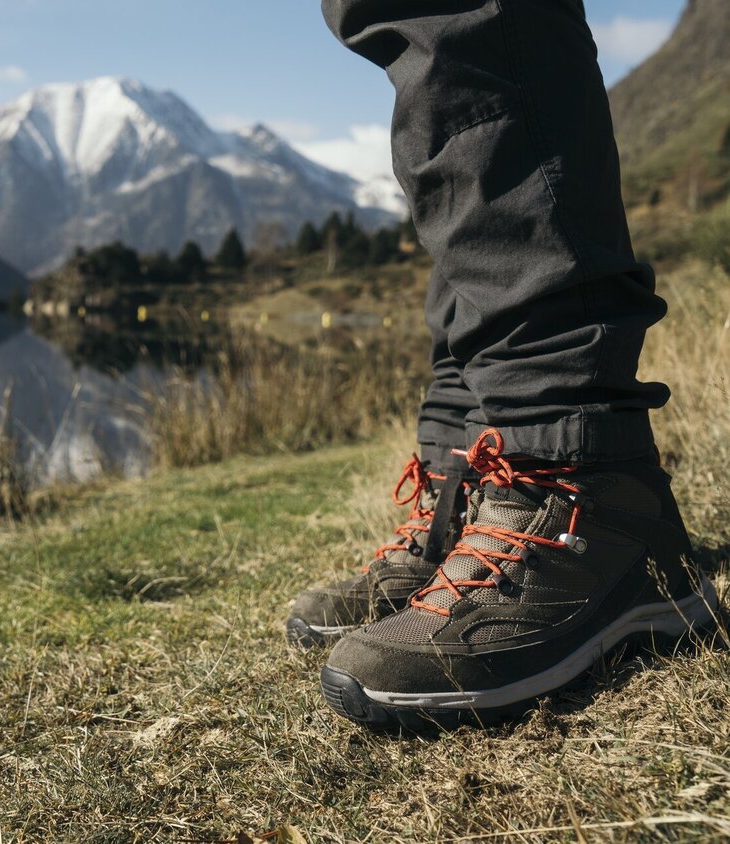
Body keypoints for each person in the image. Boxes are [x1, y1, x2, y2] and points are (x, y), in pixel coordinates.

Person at [286, 0, 719, 728]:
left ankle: (572, 480)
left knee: (458, 15)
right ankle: (475, 478)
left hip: (573, 452)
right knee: (413, 41)